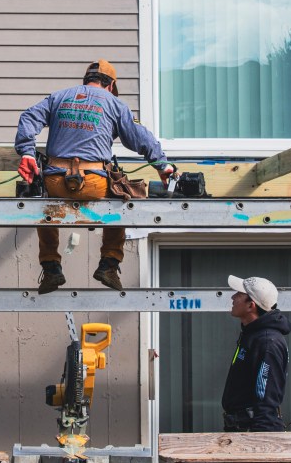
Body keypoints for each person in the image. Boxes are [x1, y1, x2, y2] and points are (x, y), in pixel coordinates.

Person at [14, 59, 173, 294]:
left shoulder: (58, 97)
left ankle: (51, 268)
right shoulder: (114, 104)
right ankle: (109, 264)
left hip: (56, 181)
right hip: (94, 184)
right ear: (110, 86)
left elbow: (28, 117)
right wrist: (162, 165)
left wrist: (27, 152)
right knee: (123, 198)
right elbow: (139, 137)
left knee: (44, 203)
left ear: (86, 82)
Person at [222, 274, 291, 463]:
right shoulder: (252, 335)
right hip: (243, 430)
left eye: (238, 295)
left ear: (251, 304)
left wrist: (259, 442)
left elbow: (267, 395)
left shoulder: (266, 341)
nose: (232, 298)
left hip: (256, 432)